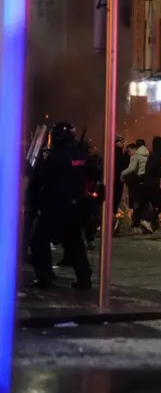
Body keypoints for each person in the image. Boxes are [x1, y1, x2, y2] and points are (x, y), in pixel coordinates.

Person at [29, 122, 96, 289]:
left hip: (55, 204)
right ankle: (84, 278)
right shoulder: (81, 154)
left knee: (39, 242)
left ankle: (45, 278)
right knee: (74, 242)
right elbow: (92, 174)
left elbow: (44, 176)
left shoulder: (56, 156)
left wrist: (36, 167)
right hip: (76, 205)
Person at [140, 136, 161, 233]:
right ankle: (145, 220)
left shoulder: (153, 155)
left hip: (149, 184)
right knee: (159, 206)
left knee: (154, 205)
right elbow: (154, 171)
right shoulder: (155, 157)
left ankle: (149, 224)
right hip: (152, 184)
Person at [121, 139, 149, 229]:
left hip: (138, 181)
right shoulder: (146, 154)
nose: (129, 153)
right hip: (145, 179)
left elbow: (131, 168)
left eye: (129, 151)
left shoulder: (135, 156)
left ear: (134, 149)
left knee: (136, 203)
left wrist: (122, 173)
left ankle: (136, 222)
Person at [113, 134, 127, 234]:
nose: (122, 143)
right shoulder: (116, 154)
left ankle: (115, 225)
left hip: (117, 181)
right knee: (114, 203)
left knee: (117, 203)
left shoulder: (119, 153)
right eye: (120, 141)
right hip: (115, 181)